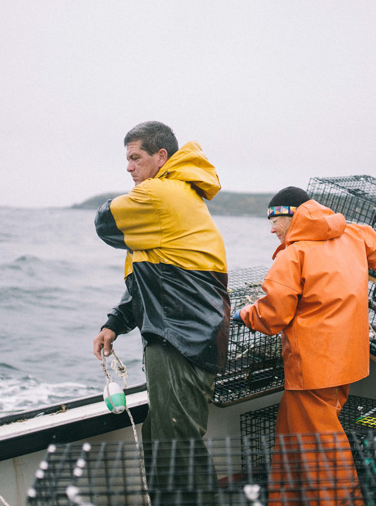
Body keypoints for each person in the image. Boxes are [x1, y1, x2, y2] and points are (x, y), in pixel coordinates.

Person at [92, 121, 229, 495]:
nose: (129, 167)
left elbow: (104, 222)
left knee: (177, 454)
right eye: (127, 159)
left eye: (136, 158)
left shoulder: (161, 194)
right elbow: (154, 279)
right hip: (184, 337)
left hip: (179, 342)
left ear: (161, 157)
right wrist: (115, 323)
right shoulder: (180, 195)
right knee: (160, 440)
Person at [236, 186, 376, 505]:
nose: (271, 229)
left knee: (324, 446)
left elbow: (273, 315)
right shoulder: (351, 234)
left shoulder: (295, 253)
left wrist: (243, 314)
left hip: (314, 367)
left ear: (290, 216)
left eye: (273, 220)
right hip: (347, 361)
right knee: (291, 432)